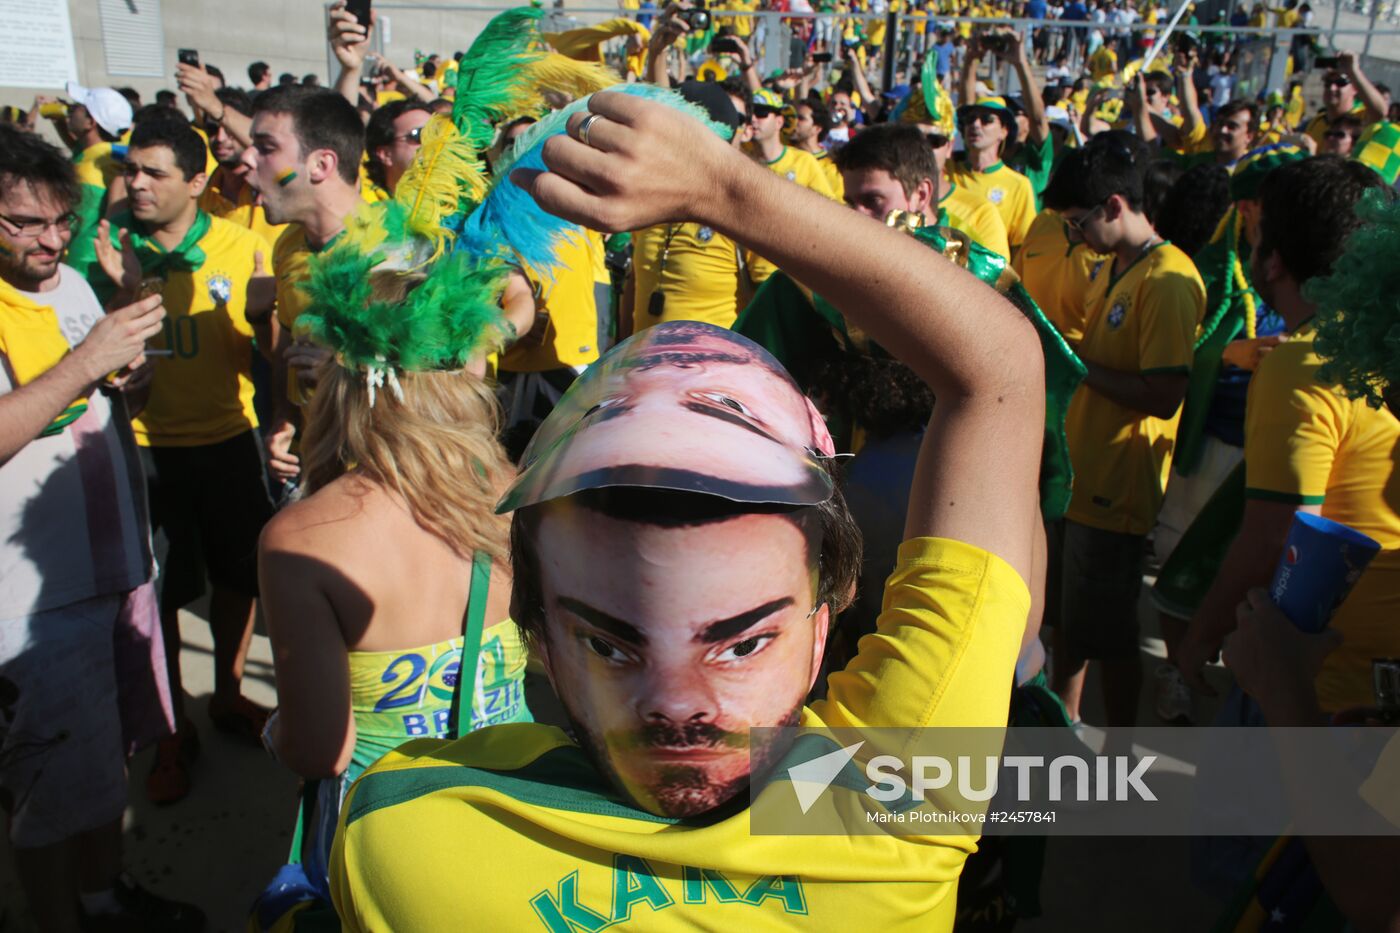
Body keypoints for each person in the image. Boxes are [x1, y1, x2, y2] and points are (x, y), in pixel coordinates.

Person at [330, 86, 1045, 931]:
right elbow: (997, 367)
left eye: (741, 641)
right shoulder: (908, 801)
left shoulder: (402, 834)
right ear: (540, 640)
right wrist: (725, 189)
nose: (677, 705)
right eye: (609, 640)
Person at [0, 123, 204, 933]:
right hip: (36, 602)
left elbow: (110, 405)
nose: (50, 240)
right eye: (24, 223)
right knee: (46, 794)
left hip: (118, 573)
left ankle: (102, 898)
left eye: (60, 220)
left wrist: (132, 377)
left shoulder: (77, 286)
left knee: (102, 765)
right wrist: (87, 362)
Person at [87, 116, 278, 804]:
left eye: (154, 172)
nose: (135, 183)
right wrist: (121, 288)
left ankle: (228, 695)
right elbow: (95, 361)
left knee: (237, 578)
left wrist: (265, 317)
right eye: (130, 170)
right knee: (158, 598)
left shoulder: (245, 245)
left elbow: (277, 354)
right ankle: (170, 732)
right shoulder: (108, 250)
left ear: (197, 182)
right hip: (144, 450)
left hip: (231, 442)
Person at [1178, 156, 1396, 716]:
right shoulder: (1379, 347)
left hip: (1318, 681)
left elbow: (1278, 536)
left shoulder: (1301, 363)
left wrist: (1201, 634)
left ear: (1272, 261)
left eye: (1256, 232)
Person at [1045, 131, 1205, 733]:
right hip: (1082, 480)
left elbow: (1164, 395)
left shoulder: (1168, 281)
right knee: (1071, 623)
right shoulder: (1113, 266)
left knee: (1111, 636)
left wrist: (1075, 361)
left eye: (1077, 222)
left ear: (1114, 206)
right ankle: (1067, 725)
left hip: (1118, 490)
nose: (1073, 236)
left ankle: (1121, 753)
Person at [241, 85, 365, 486]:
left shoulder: (401, 252)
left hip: (386, 485)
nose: (246, 160)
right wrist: (286, 419)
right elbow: (288, 353)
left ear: (320, 164)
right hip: (316, 471)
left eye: (265, 146)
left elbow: (459, 379)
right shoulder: (287, 244)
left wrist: (345, 371)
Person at [627, 81, 761, 335]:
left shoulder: (746, 204)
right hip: (643, 366)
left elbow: (769, 301)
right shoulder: (645, 195)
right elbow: (634, 282)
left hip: (719, 370)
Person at [837, 122, 1010, 259]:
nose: (857, 216)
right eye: (850, 203)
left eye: (873, 200)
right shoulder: (844, 256)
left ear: (921, 195)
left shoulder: (971, 263)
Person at [947, 94, 1037, 252]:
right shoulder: (946, 172)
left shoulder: (1019, 185)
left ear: (1004, 131)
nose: (975, 124)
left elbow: (1020, 248)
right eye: (970, 119)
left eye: (986, 120)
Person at [1302, 50, 1386, 149]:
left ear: (1355, 88)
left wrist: (1353, 70)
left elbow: (1380, 111)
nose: (1332, 88)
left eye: (1340, 83)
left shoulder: (1361, 117)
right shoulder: (1317, 121)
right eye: (1328, 83)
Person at [362, 99, 431, 200]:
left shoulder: (458, 202)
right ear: (385, 154)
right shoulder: (363, 208)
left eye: (438, 133)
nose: (434, 142)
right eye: (419, 135)